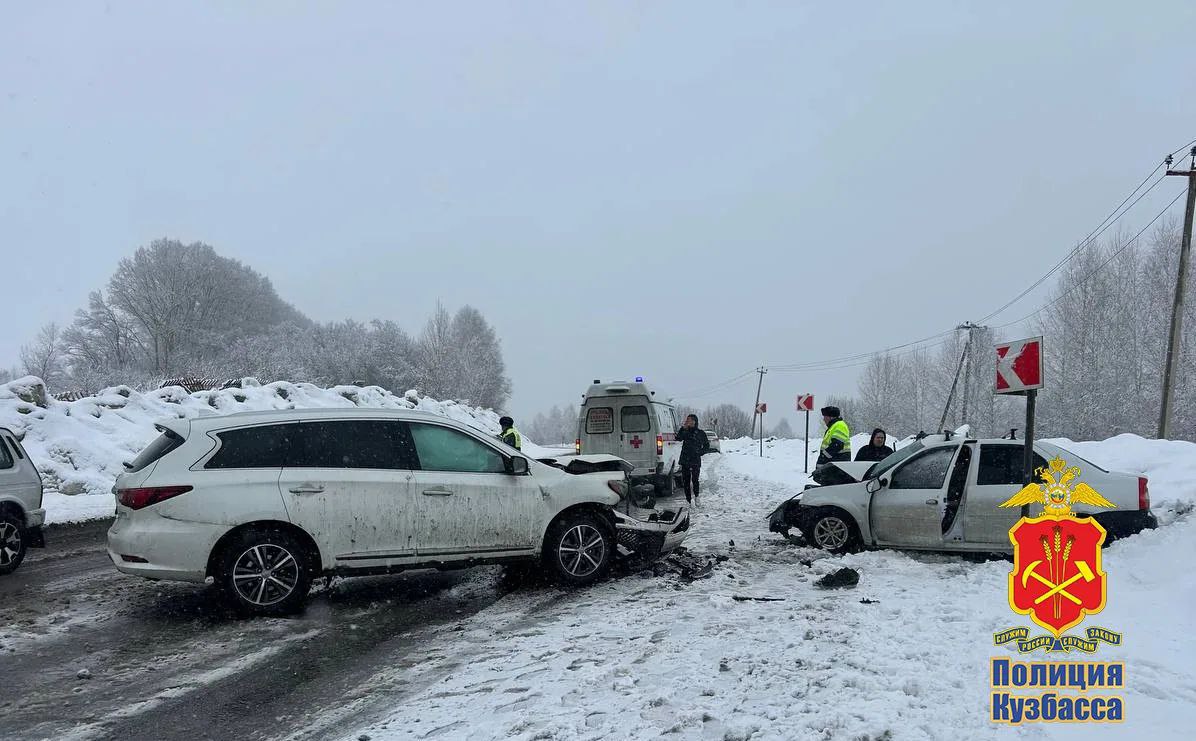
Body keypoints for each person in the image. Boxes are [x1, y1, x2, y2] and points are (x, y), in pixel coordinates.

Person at [675, 414, 710, 503]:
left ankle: (697, 496)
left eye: (689, 420)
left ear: (694, 422)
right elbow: (678, 438)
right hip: (685, 459)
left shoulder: (700, 433)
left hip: (695, 460)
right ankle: (688, 500)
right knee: (686, 481)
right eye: (687, 420)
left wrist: (700, 452)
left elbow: (706, 446)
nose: (687, 421)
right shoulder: (685, 431)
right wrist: (683, 428)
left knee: (695, 479)